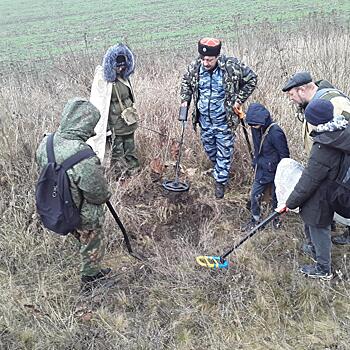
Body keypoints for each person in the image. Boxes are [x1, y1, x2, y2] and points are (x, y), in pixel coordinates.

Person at [36, 98, 112, 289]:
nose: (93, 131)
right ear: (82, 124)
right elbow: (98, 193)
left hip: (57, 203)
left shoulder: (46, 141)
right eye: (90, 126)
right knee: (91, 237)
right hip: (79, 211)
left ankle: (82, 247)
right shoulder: (83, 156)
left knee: (80, 235)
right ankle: (91, 279)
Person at [180, 38, 257, 198]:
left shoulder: (231, 66)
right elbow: (186, 82)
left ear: (217, 56)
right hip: (204, 120)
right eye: (203, 59)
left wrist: (239, 100)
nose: (205, 63)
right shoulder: (195, 67)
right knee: (210, 149)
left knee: (224, 151)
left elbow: (252, 79)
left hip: (224, 120)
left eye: (209, 60)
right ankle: (220, 170)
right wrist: (184, 100)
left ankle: (220, 182)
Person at [282, 71, 350, 245]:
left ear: (302, 89)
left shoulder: (336, 103)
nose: (291, 99)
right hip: (326, 167)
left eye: (291, 95)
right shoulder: (315, 103)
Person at [286, 99, 350, 279]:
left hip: (323, 193)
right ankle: (314, 248)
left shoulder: (323, 147)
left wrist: (289, 203)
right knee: (318, 223)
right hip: (335, 188)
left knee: (318, 225)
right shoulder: (341, 130)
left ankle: (323, 269)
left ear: (315, 120)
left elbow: (308, 181)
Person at [91, 43, 140, 177]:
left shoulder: (125, 77)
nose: (120, 68)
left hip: (128, 120)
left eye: (123, 66)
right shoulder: (103, 79)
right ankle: (121, 175)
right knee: (117, 150)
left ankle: (134, 170)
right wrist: (104, 126)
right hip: (114, 122)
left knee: (130, 147)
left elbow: (130, 96)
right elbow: (99, 104)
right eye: (118, 66)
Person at [244, 103, 290, 230]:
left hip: (276, 171)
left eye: (254, 124)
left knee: (277, 198)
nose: (252, 127)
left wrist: (282, 175)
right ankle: (255, 220)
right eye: (251, 124)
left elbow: (285, 155)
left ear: (262, 120)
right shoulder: (256, 128)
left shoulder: (276, 132)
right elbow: (258, 148)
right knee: (255, 194)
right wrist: (256, 162)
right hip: (261, 170)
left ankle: (276, 220)